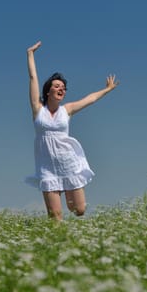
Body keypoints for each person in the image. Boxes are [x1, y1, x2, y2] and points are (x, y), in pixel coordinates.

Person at [25, 41, 119, 220]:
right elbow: (33, 78)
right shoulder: (38, 110)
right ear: (48, 91)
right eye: (57, 86)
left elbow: (89, 99)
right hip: (47, 167)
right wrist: (30, 54)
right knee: (55, 216)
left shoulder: (66, 110)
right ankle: (59, 244)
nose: (61, 89)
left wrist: (107, 90)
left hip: (67, 162)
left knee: (79, 210)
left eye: (63, 88)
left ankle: (68, 194)